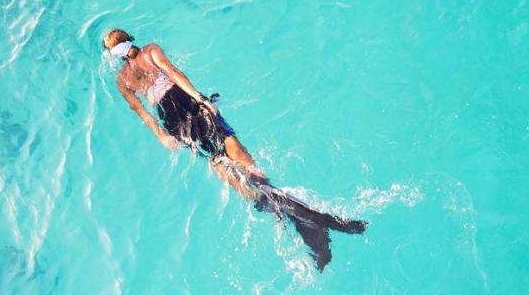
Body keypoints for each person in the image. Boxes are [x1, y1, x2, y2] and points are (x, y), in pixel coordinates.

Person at [102, 29, 367, 271]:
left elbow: (141, 112)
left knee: (216, 161)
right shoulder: (150, 51)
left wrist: (162, 137)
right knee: (230, 144)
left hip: (171, 119)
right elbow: (175, 75)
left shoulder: (122, 79)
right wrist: (203, 99)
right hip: (184, 101)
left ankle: (269, 205)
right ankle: (281, 199)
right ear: (130, 39)